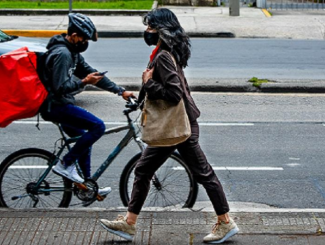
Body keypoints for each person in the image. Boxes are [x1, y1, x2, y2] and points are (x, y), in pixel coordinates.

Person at [99, 8, 239, 244]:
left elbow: (174, 94)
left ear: (162, 30)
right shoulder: (165, 51)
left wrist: (148, 84)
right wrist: (142, 97)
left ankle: (225, 222)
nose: (147, 31)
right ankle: (129, 223)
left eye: (151, 27)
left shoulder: (163, 56)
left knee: (202, 174)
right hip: (177, 126)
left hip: (178, 128)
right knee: (145, 170)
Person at [39, 13, 134, 198]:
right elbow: (59, 87)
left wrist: (120, 91)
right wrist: (84, 82)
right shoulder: (63, 54)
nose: (85, 42)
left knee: (84, 139)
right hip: (56, 106)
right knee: (98, 127)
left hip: (61, 104)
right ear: (73, 35)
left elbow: (92, 74)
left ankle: (86, 187)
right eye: (83, 37)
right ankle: (65, 164)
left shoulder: (72, 52)